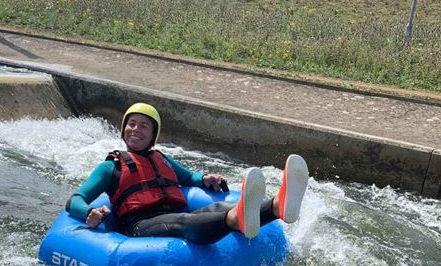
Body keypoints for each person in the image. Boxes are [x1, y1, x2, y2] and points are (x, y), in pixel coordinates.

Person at [66, 103, 309, 244]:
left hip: (171, 213)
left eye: (143, 125)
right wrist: (89, 213)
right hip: (138, 226)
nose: (135, 129)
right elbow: (74, 200)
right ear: (123, 130)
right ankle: (239, 220)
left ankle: (277, 206)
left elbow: (189, 177)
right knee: (185, 221)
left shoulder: (160, 158)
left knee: (218, 209)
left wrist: (206, 179)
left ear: (153, 135)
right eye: (131, 124)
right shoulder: (111, 166)